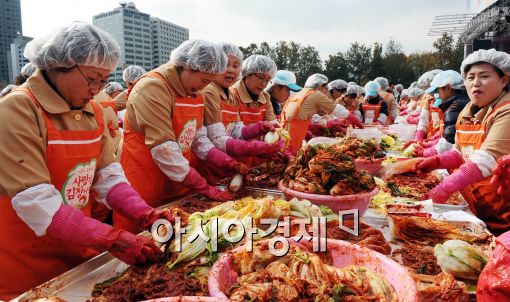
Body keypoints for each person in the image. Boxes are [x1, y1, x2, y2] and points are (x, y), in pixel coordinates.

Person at [0, 22, 169, 300]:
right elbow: (35, 201)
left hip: (79, 252)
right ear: (57, 65)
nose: (97, 90)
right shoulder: (18, 108)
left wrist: (144, 213)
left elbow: (107, 175)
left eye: (104, 81)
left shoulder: (92, 111)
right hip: (27, 263)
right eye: (92, 79)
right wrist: (111, 238)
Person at [119, 39, 240, 232]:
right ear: (188, 67)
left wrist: (226, 161)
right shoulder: (152, 88)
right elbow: (164, 148)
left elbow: (198, 138)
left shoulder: (196, 92)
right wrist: (203, 186)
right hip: (147, 191)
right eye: (204, 80)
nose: (205, 87)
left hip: (179, 187)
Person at [415, 49, 510, 235]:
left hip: (501, 211)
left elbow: (486, 159)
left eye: (484, 76)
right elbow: (462, 151)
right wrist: (437, 161)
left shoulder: (506, 111)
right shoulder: (469, 110)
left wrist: (444, 188)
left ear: (504, 80)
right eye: (470, 77)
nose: (475, 83)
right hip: (475, 204)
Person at [201, 42, 281, 182]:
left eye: (235, 65)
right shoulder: (211, 91)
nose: (231, 70)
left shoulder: (231, 96)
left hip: (237, 166)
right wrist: (257, 147)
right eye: (226, 64)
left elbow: (238, 131)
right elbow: (217, 139)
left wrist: (262, 128)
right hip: (216, 165)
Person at [282, 73, 363, 151]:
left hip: (286, 129)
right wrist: (352, 117)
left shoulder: (300, 92)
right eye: (325, 88)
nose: (326, 91)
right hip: (295, 130)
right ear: (320, 86)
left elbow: (308, 113)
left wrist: (326, 121)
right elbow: (336, 109)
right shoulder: (316, 94)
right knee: (292, 158)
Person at [413, 70, 470, 157]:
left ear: (448, 88)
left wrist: (426, 152)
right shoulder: (461, 101)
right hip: (446, 147)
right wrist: (431, 141)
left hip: (452, 154)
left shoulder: (454, 107)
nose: (437, 95)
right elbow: (448, 132)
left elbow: (449, 140)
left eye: (438, 91)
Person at [230, 54, 277, 125]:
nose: (264, 84)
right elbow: (235, 130)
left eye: (267, 80)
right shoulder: (233, 95)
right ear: (248, 73)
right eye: (261, 77)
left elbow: (271, 123)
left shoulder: (265, 97)